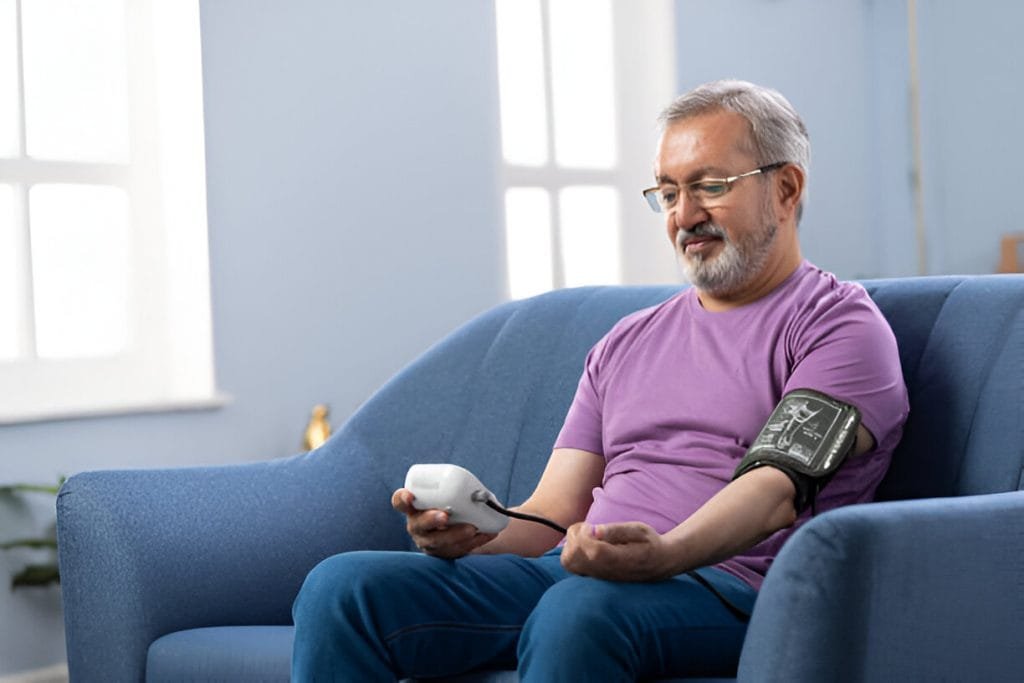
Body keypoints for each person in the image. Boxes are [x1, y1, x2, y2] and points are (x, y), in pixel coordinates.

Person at [291, 79, 909, 681]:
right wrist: (472, 536)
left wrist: (663, 556)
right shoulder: (626, 341)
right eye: (667, 194)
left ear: (786, 188)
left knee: (578, 610)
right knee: (344, 588)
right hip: (587, 580)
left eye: (709, 187)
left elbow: (777, 490)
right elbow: (554, 514)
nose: (685, 215)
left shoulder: (840, 329)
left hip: (735, 589)